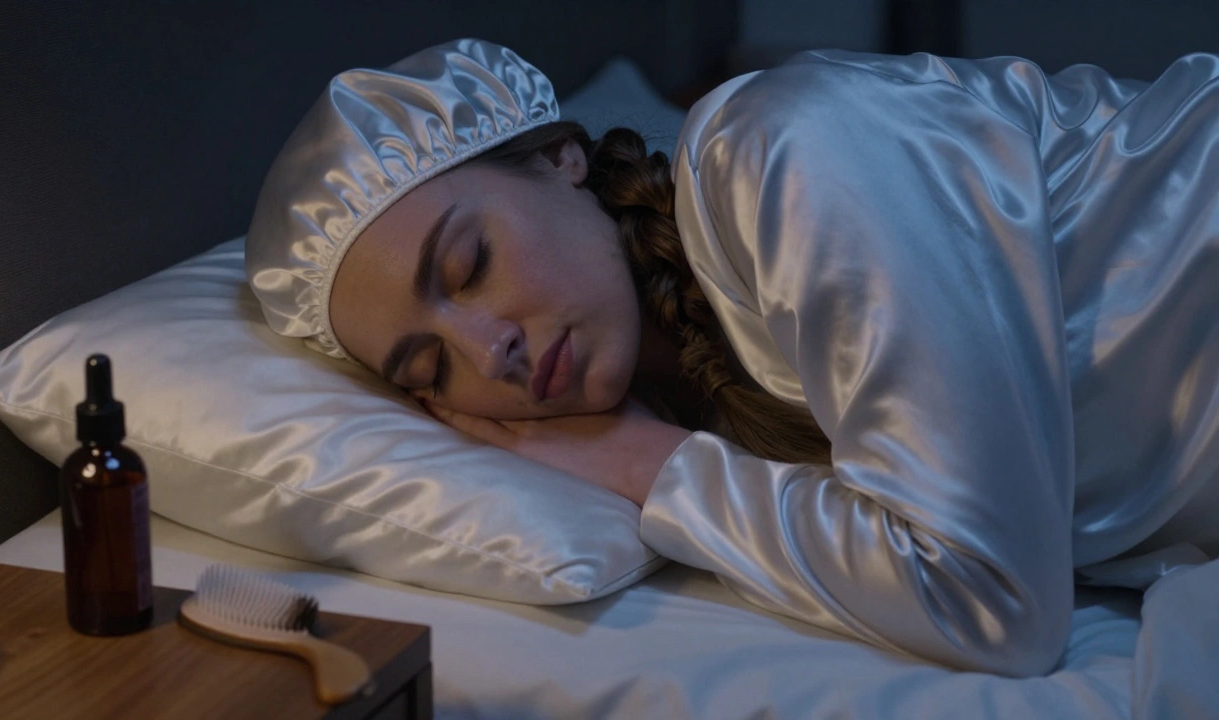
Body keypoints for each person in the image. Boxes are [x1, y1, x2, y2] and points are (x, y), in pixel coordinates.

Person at [245, 38, 1219, 677]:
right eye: (428, 370)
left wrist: (644, 463)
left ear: (557, 158)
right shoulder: (703, 386)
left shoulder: (781, 155)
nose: (484, 349)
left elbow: (994, 601)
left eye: (470, 264)